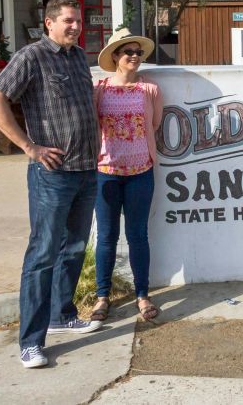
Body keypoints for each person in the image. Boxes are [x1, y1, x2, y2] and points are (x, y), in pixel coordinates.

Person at [0, 0, 102, 369]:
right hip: (52, 175)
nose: (75, 27)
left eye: (78, 21)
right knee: (42, 254)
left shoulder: (78, 57)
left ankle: (61, 314)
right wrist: (29, 147)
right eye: (68, 21)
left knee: (74, 248)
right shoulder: (31, 57)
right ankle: (31, 342)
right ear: (48, 24)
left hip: (85, 171)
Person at [89, 29, 163, 325]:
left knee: (138, 235)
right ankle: (102, 296)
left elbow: (154, 124)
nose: (134, 56)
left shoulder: (150, 90)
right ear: (115, 57)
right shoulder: (99, 89)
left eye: (138, 52)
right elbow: (93, 124)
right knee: (106, 237)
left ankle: (142, 294)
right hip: (105, 172)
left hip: (140, 172)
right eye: (127, 51)